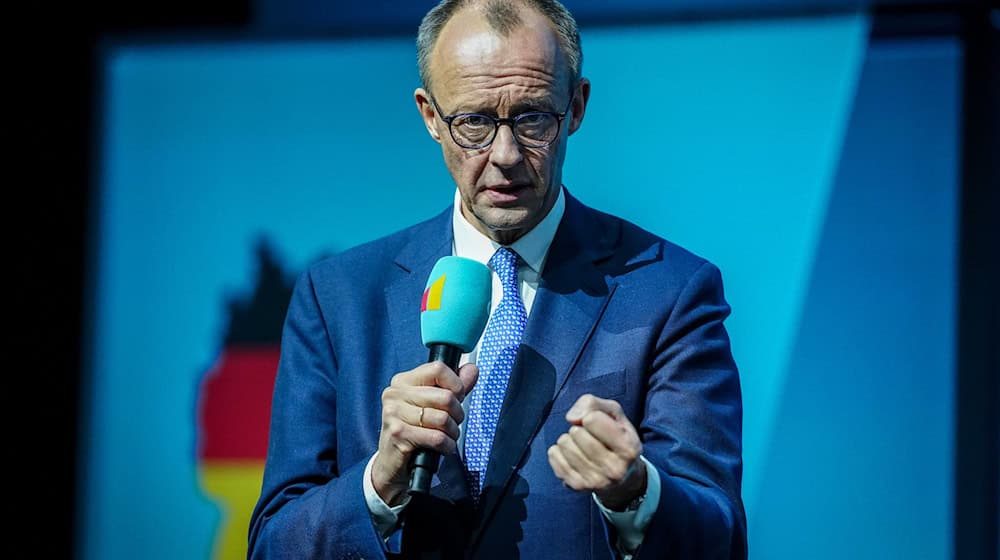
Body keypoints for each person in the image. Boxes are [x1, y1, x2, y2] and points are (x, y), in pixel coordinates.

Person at [247, 0, 747, 558]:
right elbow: (273, 544)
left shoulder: (670, 291)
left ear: (576, 107)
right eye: (475, 123)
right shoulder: (338, 297)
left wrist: (636, 491)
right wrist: (379, 483)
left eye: (533, 118)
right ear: (431, 117)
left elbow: (720, 538)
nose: (505, 155)